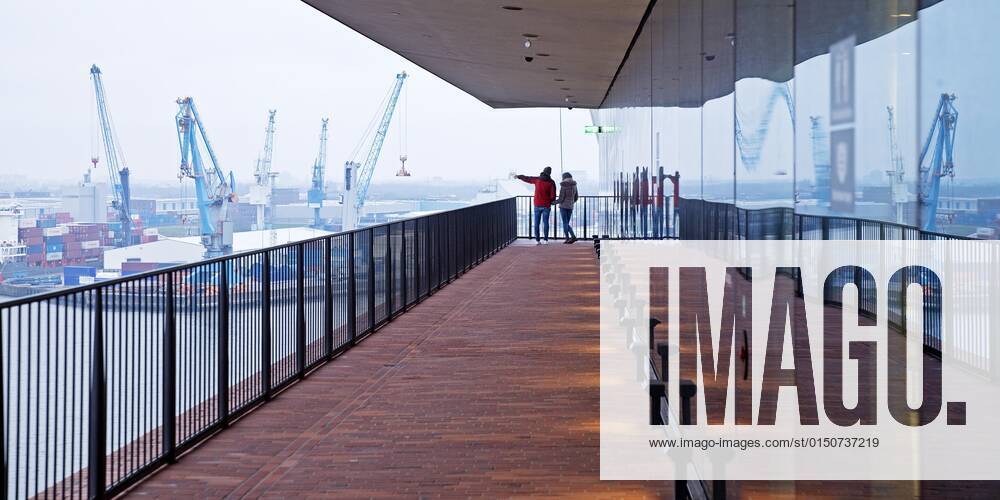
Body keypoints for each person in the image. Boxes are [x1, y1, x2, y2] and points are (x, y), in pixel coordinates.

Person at [516, 167, 557, 244]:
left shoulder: (537, 179)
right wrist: (551, 201)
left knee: (536, 223)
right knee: (546, 223)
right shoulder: (551, 182)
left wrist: (518, 176)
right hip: (546, 205)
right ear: (550, 173)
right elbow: (553, 196)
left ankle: (537, 240)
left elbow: (527, 178)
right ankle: (545, 240)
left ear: (543, 171)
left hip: (537, 204)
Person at [555, 172, 579, 243]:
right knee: (566, 223)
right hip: (570, 206)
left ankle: (571, 237)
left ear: (564, 177)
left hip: (563, 206)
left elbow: (561, 198)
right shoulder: (574, 185)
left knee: (565, 223)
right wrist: (571, 202)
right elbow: (576, 197)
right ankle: (569, 238)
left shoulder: (564, 185)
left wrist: (553, 202)